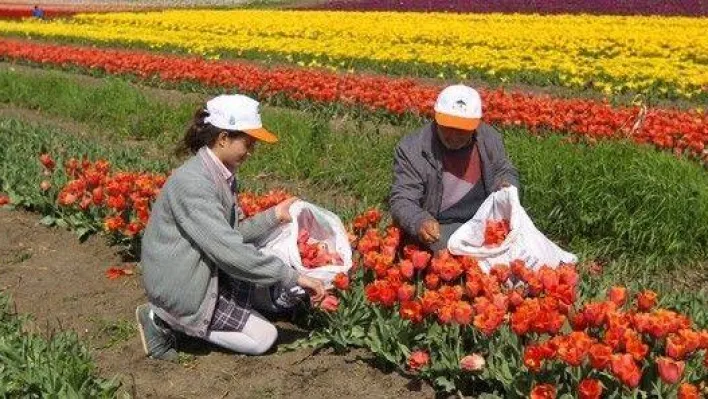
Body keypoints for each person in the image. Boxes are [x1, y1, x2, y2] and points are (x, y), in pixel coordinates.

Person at [136, 94, 326, 361]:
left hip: (205, 269)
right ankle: (164, 320)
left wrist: (274, 216)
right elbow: (229, 250)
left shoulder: (219, 173)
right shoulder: (194, 184)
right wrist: (294, 277)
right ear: (223, 138)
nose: (251, 152)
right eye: (248, 143)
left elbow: (230, 236)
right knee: (263, 338)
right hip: (184, 287)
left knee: (269, 296)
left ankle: (195, 315)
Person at [390, 84, 520, 253]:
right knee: (452, 257)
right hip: (441, 224)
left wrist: (507, 185)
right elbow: (402, 198)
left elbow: (503, 169)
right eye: (447, 127)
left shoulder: (489, 138)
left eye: (462, 130)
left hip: (481, 220)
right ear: (436, 118)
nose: (453, 136)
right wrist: (420, 220)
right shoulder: (412, 149)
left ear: (475, 126)